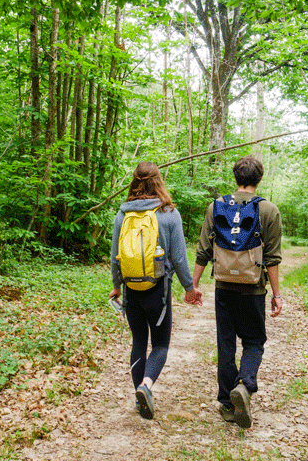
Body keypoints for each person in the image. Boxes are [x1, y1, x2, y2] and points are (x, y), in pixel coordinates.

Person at [190, 156, 282, 429]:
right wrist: (276, 295)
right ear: (259, 179)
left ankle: (228, 404)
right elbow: (272, 258)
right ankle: (245, 383)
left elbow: (203, 250)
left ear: (236, 177)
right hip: (253, 289)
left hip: (224, 287)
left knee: (226, 343)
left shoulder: (216, 206)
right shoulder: (269, 210)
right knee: (254, 340)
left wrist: (194, 285)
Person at [110, 161, 202, 420]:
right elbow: (179, 258)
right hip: (158, 289)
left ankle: (139, 400)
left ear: (134, 181)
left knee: (139, 341)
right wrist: (190, 288)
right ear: (158, 181)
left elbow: (115, 256)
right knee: (160, 344)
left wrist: (116, 286)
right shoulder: (169, 213)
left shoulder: (122, 214)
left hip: (131, 288)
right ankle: (146, 386)